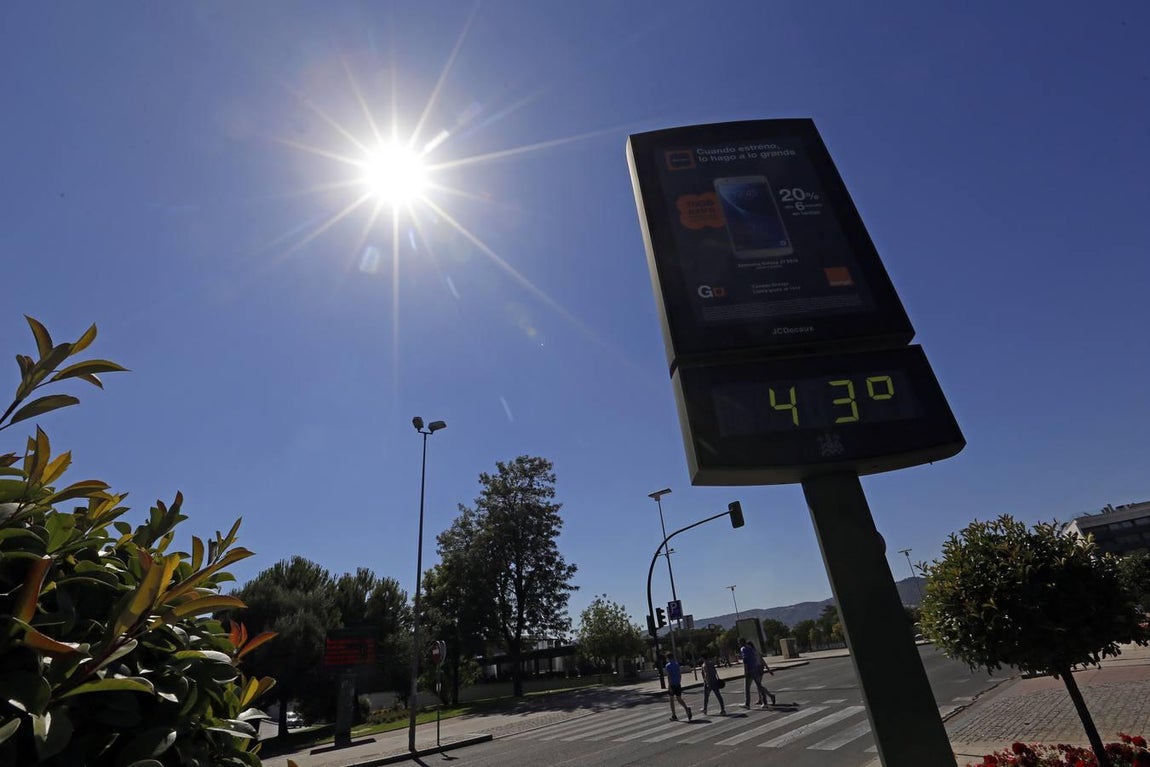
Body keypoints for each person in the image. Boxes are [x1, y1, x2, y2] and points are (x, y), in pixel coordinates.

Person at [739, 639, 774, 708]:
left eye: (739, 643)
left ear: (742, 642)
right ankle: (766, 701)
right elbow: (756, 660)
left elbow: (745, 661)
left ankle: (747, 703)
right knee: (759, 686)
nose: (739, 644)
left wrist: (745, 671)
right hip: (755, 669)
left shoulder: (743, 649)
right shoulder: (752, 649)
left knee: (747, 687)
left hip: (750, 670)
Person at [663, 652, 693, 721]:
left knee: (671, 700)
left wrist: (669, 686)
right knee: (679, 699)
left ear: (668, 658)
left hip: (672, 684)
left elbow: (669, 676)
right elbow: (679, 674)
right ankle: (686, 708)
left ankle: (674, 715)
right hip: (677, 683)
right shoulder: (676, 664)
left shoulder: (668, 666)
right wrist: (679, 682)